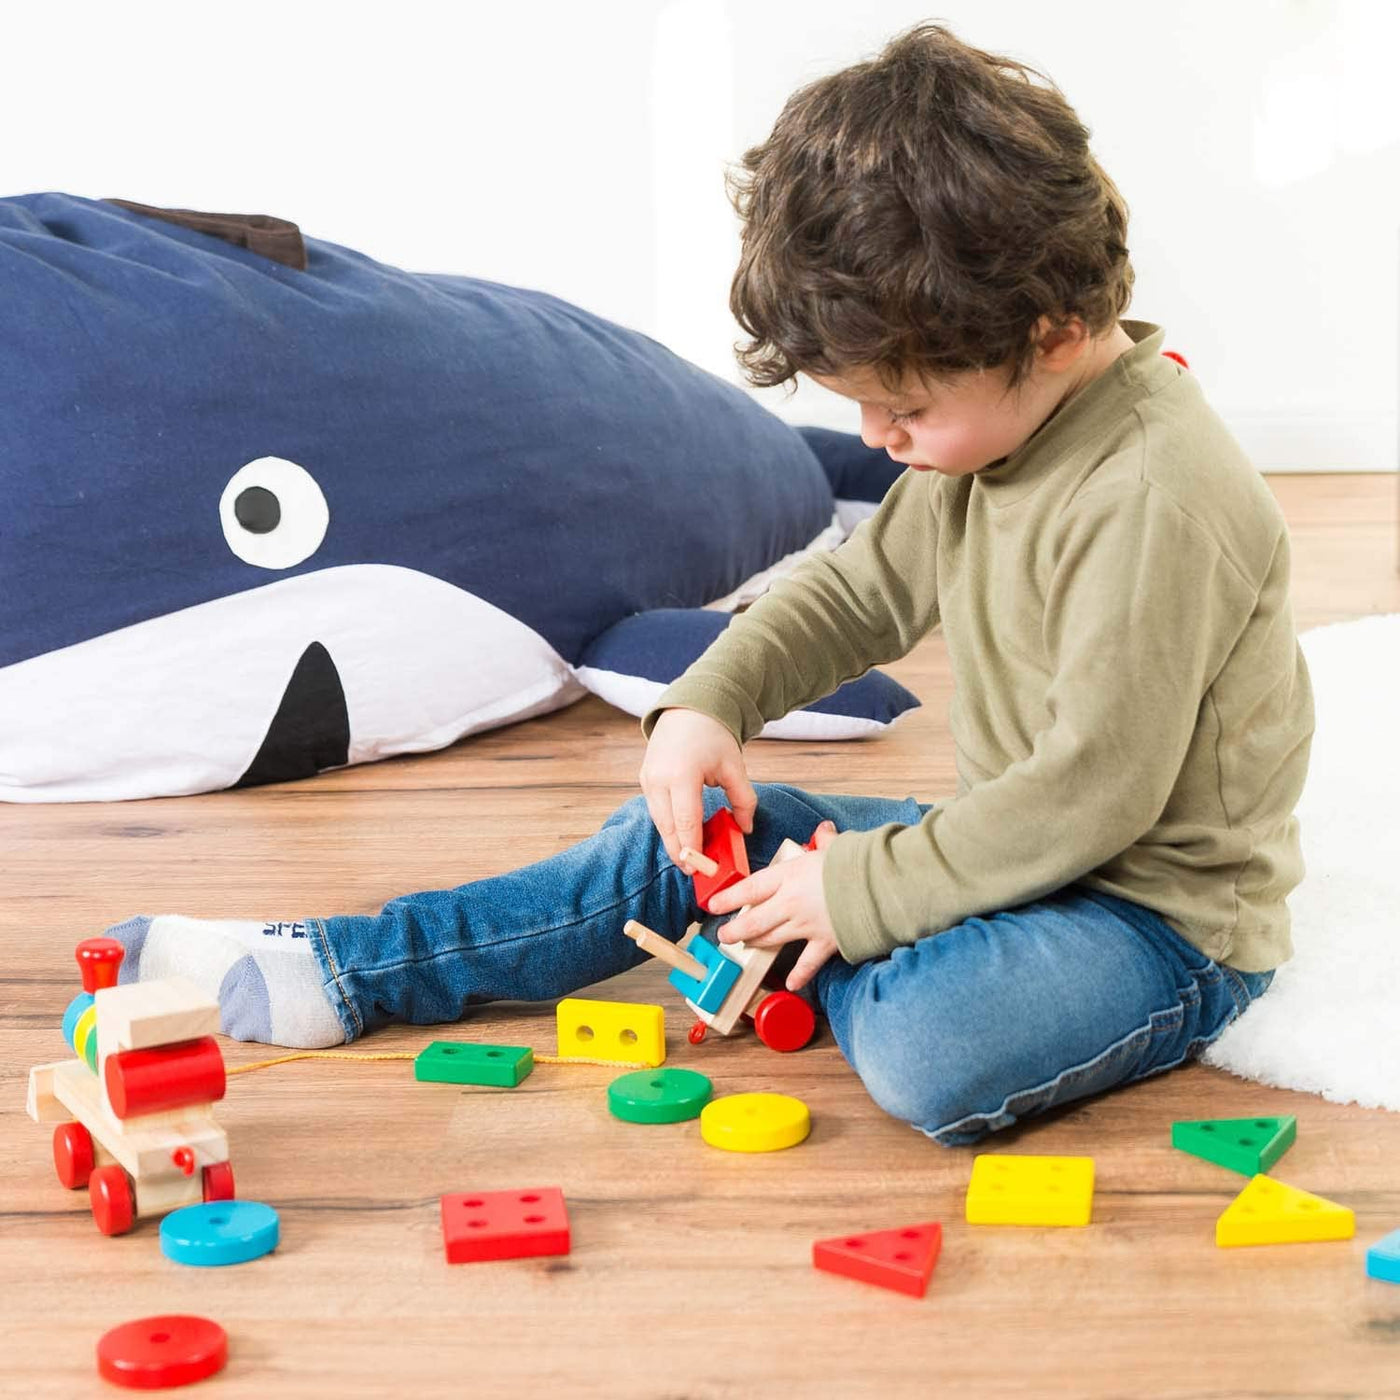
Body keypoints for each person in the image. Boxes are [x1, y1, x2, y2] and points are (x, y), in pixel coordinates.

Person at [103, 23, 1313, 1146]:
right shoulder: (987, 436)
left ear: (1046, 328)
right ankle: (346, 966)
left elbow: (1089, 793)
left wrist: (854, 888)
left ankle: (795, 938)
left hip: (1152, 916)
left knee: (930, 1055)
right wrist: (706, 703)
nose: (882, 439)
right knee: (667, 842)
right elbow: (856, 595)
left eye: (904, 407)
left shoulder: (1153, 493)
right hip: (1011, 855)